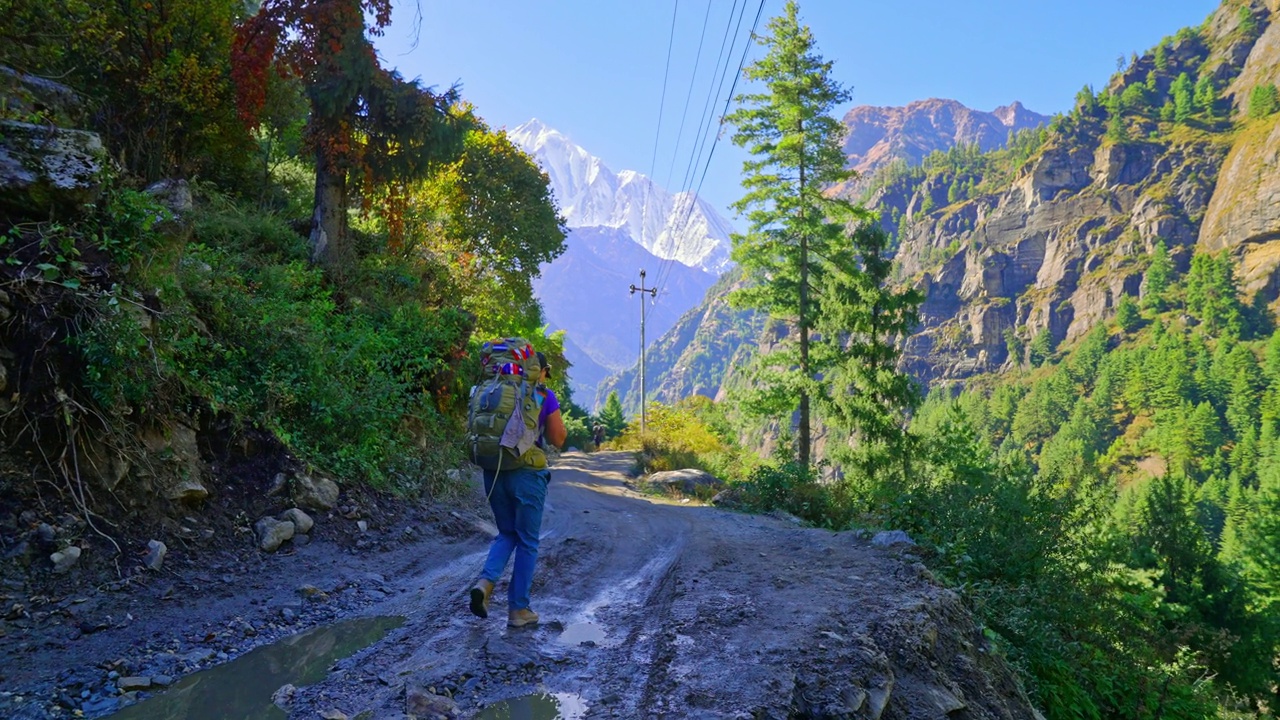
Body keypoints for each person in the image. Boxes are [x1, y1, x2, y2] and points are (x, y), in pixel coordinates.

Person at [469, 351, 566, 627]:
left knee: (507, 533)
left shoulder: (489, 390)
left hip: (494, 471)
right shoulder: (542, 395)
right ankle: (518, 610)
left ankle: (485, 584)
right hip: (527, 475)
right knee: (527, 541)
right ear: (539, 370)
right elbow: (558, 439)